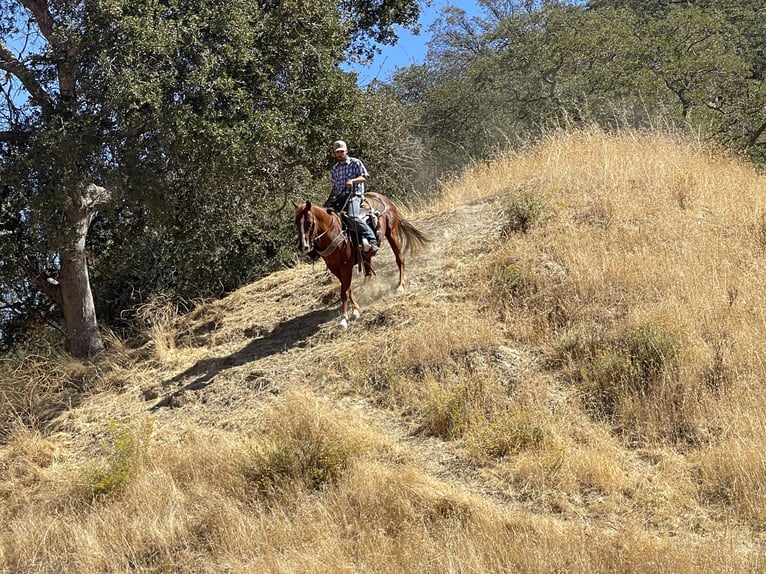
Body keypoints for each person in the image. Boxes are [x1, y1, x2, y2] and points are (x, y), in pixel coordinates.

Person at [325, 140, 378, 253]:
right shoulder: (335, 169)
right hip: (341, 197)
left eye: (341, 152)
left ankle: (371, 238)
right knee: (328, 217)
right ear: (334, 153)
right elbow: (335, 187)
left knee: (352, 216)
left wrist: (352, 181)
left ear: (346, 151)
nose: (339, 154)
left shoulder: (355, 162)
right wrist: (328, 201)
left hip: (355, 195)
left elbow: (364, 177)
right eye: (337, 152)